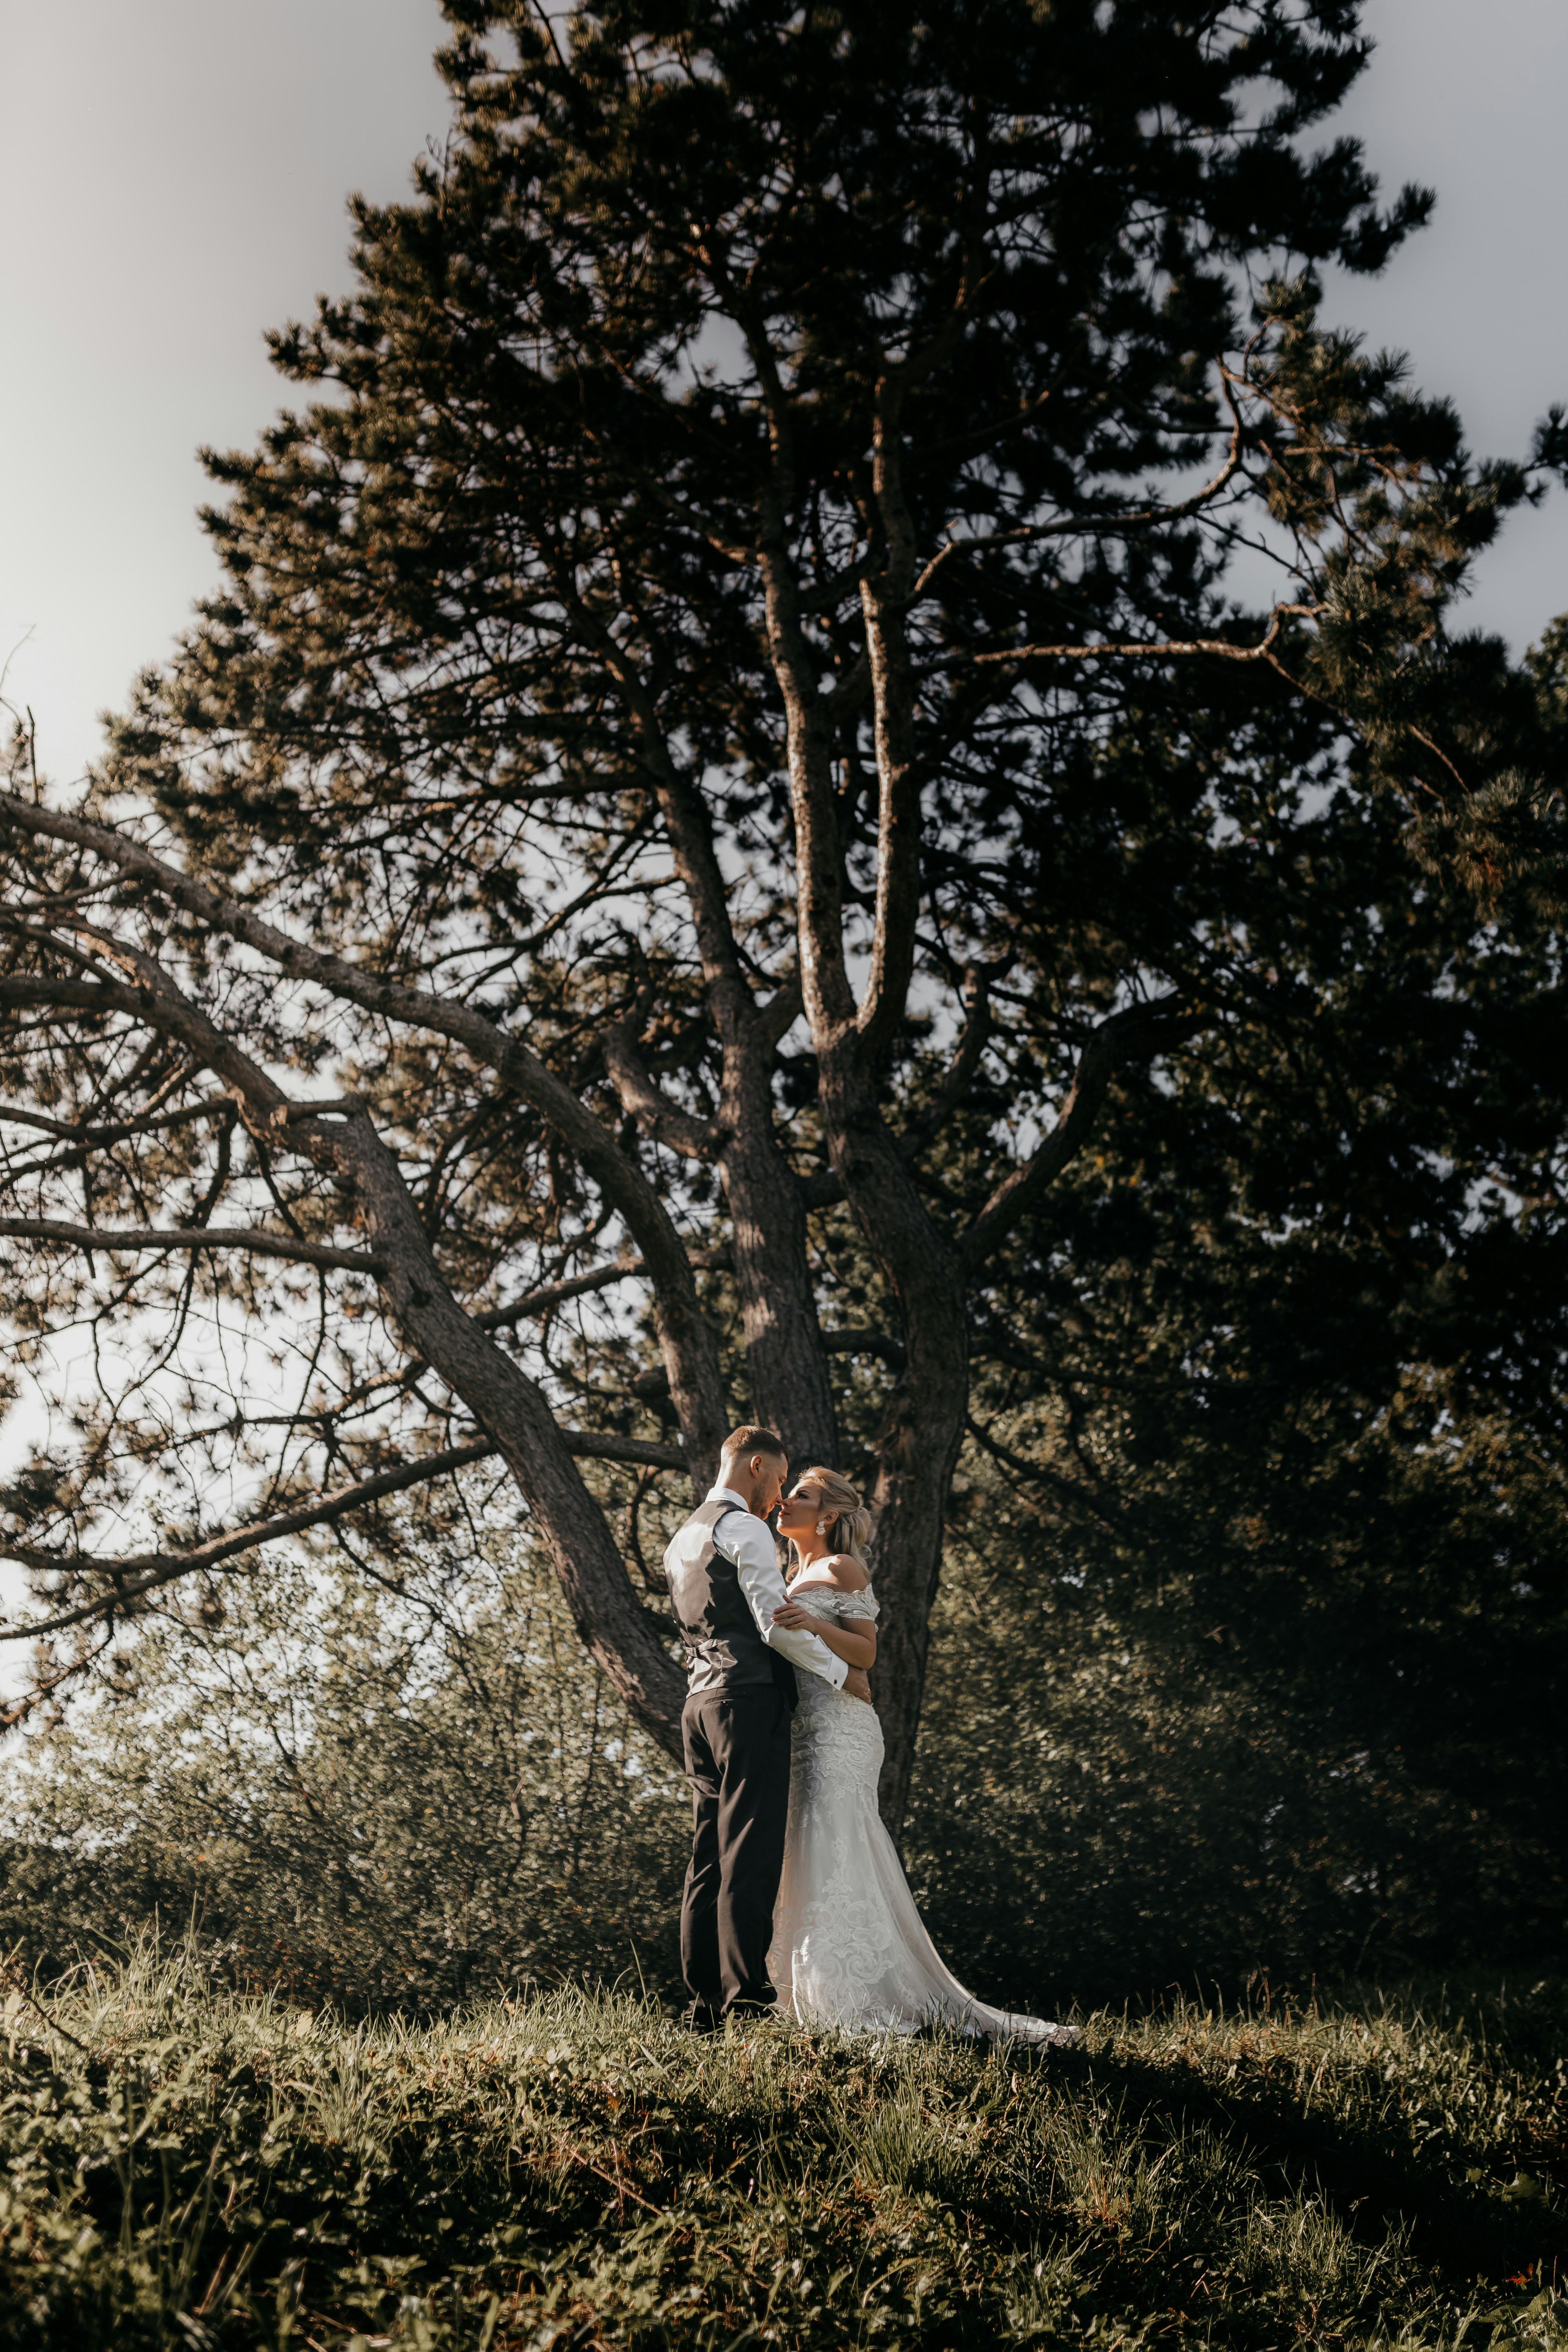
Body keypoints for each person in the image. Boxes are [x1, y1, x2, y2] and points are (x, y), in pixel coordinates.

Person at [766, 1466, 1077, 2043]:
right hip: (803, 1731)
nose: (785, 1502)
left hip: (843, 1729)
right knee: (806, 1846)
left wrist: (810, 1620)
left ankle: (852, 1994)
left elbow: (867, 1652)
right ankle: (805, 1988)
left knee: (838, 1838)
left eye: (801, 1496)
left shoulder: (841, 1567)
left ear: (828, 1516)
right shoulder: (790, 1572)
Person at [662, 1425, 869, 2031]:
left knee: (707, 1854)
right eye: (779, 1480)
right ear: (757, 1465)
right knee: (749, 1850)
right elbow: (773, 1625)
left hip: (697, 1705)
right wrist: (841, 1674)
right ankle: (747, 1998)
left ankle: (704, 2007)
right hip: (747, 1699)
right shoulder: (743, 1527)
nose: (778, 1495)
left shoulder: (683, 1537)